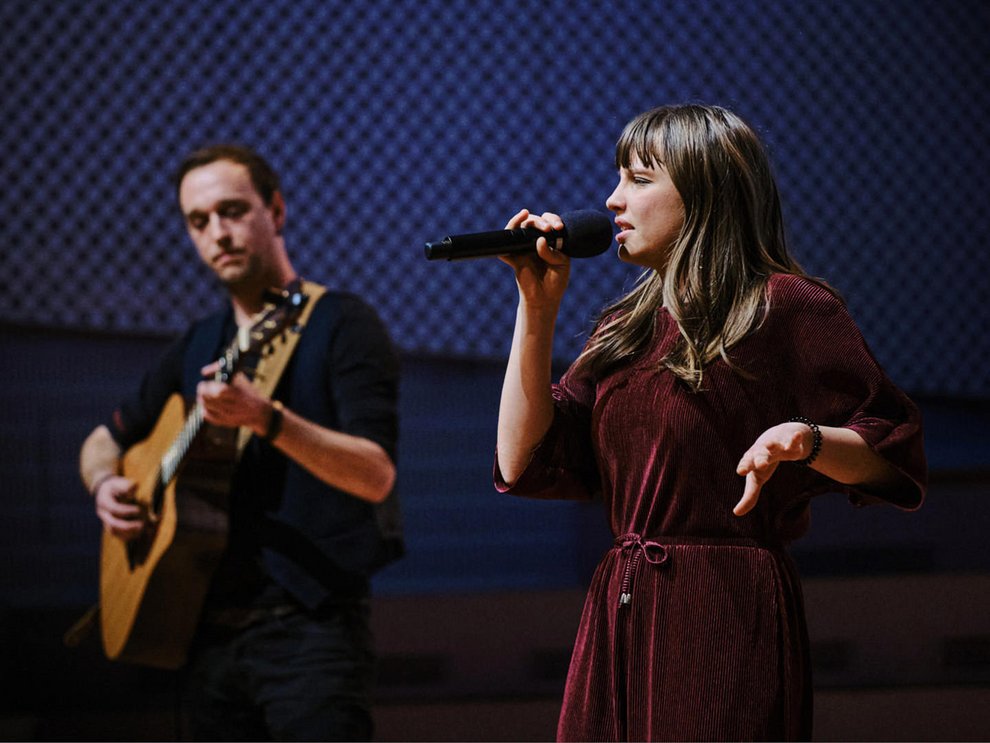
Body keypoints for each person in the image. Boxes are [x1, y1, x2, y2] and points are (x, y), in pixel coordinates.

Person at [494, 104, 927, 741]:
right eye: (617, 179)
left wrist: (804, 440)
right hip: (623, 608)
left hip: (721, 607)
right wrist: (536, 310)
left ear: (706, 192)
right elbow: (523, 461)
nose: (613, 200)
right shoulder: (625, 330)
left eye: (640, 180)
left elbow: (890, 451)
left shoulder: (787, 307)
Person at [78, 144, 402, 741]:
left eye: (232, 211)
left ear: (275, 211)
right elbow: (102, 439)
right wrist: (106, 485)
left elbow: (377, 474)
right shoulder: (199, 343)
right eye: (199, 221)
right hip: (202, 636)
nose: (217, 233)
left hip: (311, 633)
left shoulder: (341, 325)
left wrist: (269, 420)